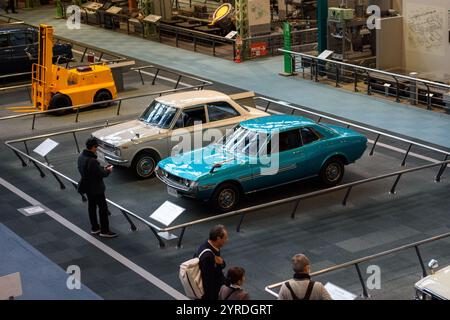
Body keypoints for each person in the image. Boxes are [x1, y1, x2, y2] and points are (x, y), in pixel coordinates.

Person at [77, 137, 117, 238]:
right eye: (96, 147)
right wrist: (108, 170)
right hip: (96, 188)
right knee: (103, 209)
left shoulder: (81, 156)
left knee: (91, 207)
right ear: (93, 147)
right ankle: (105, 231)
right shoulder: (92, 161)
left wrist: (101, 169)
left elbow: (90, 170)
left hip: (87, 186)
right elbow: (101, 174)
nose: (97, 149)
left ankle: (95, 228)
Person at [196, 225, 228, 300]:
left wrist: (221, 263)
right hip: (210, 293)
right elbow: (208, 281)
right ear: (218, 239)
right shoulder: (208, 257)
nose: (226, 240)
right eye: (225, 238)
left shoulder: (210, 245)